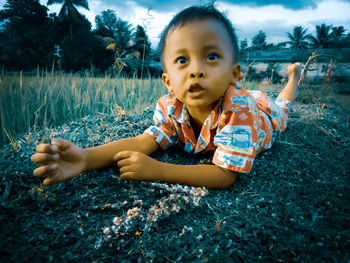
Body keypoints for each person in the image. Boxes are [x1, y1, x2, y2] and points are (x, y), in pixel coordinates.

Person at [31, 5, 301, 189]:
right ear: (168, 82)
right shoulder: (172, 108)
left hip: (263, 115)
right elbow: (143, 141)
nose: (196, 70)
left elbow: (225, 175)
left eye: (211, 57)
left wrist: (159, 171)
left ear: (233, 73)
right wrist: (86, 157)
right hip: (240, 97)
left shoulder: (240, 112)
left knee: (282, 106)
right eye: (182, 60)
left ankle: (293, 78)